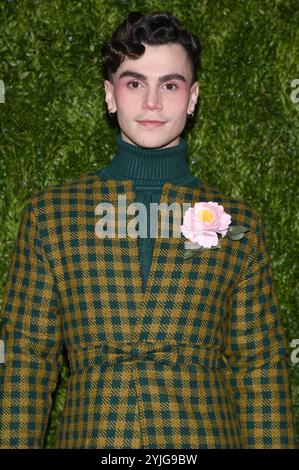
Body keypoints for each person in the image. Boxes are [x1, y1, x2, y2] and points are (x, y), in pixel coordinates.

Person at [0, 10, 298, 449]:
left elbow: (261, 366)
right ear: (110, 94)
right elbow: (26, 361)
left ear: (192, 98)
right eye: (135, 82)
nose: (153, 102)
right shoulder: (51, 216)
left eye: (171, 85)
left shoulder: (238, 223)